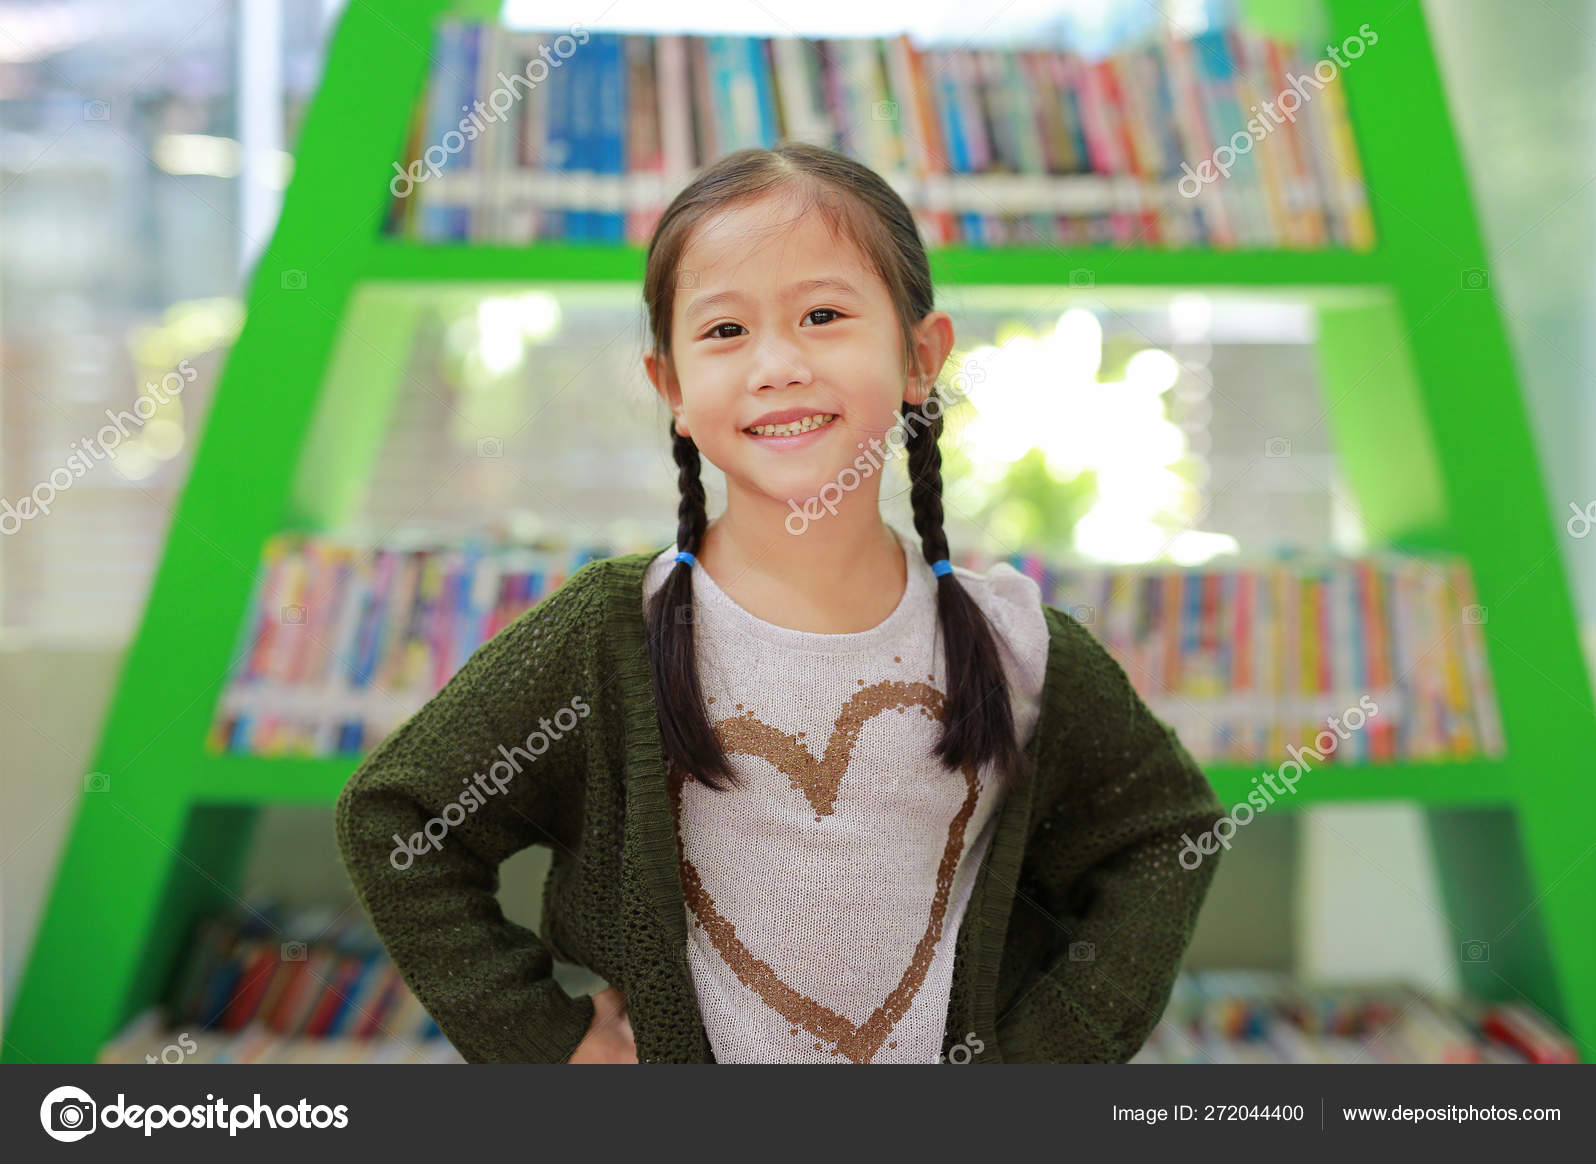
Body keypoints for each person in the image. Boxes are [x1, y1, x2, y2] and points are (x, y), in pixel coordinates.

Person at [334, 142, 1227, 1064]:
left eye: (824, 315)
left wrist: (1053, 1053)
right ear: (671, 388)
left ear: (921, 358)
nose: (777, 365)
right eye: (725, 332)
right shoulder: (612, 635)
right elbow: (397, 818)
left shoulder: (1009, 643)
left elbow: (1167, 834)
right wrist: (543, 1042)